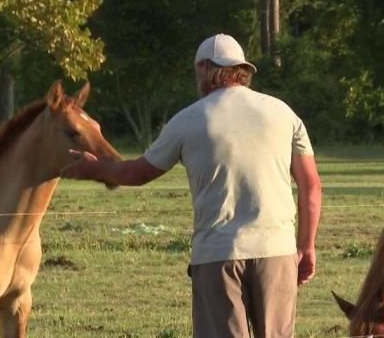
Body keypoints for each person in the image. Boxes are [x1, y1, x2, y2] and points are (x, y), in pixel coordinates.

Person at [61, 33, 322, 338]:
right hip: (277, 251)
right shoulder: (284, 113)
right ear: (241, 69)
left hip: (217, 255)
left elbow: (137, 173)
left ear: (204, 69)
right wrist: (306, 245)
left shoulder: (187, 120)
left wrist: (96, 168)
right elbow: (311, 187)